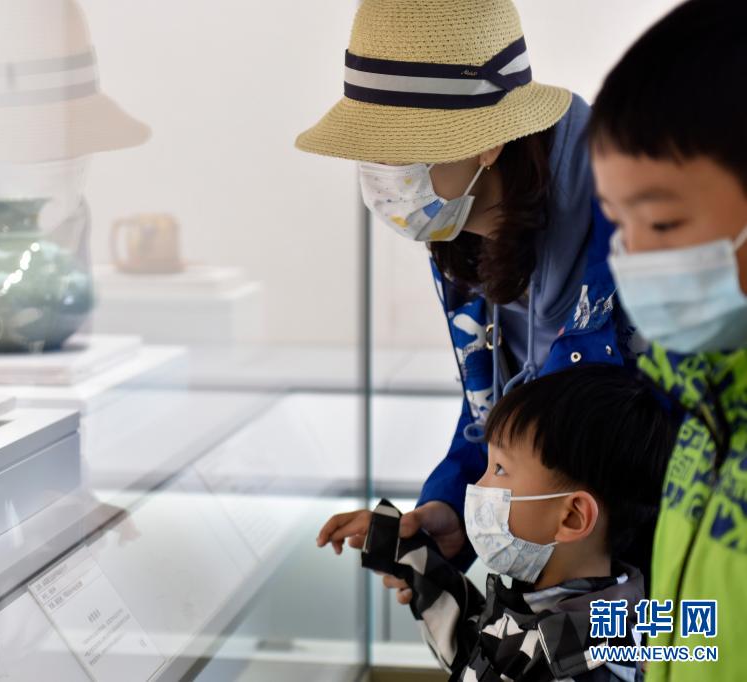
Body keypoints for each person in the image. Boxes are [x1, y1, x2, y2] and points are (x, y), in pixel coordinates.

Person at [298, 0, 636, 571]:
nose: (379, 173)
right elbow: (496, 405)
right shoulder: (461, 234)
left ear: (489, 141)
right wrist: (452, 511)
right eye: (367, 148)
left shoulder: (640, 218)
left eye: (398, 145)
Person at [321, 366, 677, 681]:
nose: (478, 486)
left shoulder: (588, 661)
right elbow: (473, 649)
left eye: (500, 469)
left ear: (572, 517)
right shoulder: (541, 607)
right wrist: (394, 541)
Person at [588, 1, 747, 678]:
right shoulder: (707, 413)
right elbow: (697, 631)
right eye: (617, 224)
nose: (633, 258)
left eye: (660, 224)